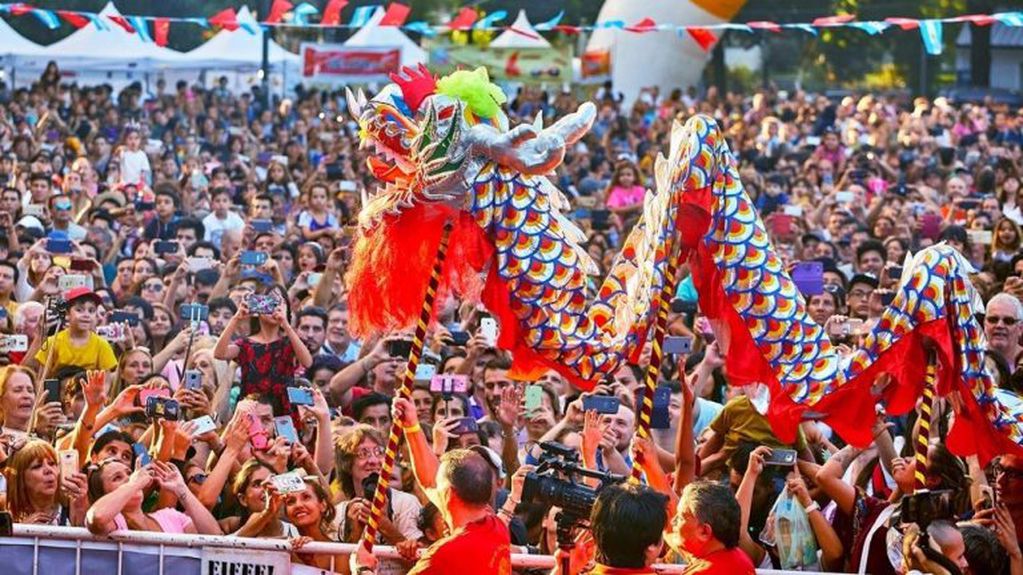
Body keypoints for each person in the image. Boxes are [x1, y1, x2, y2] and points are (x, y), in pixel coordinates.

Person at [352, 397, 511, 575]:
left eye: (440, 481)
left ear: (448, 492)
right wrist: (411, 426)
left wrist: (362, 569)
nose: (434, 484)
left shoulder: (443, 556)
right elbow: (429, 480)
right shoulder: (497, 528)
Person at [27, 287, 117, 376]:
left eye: (91, 311)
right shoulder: (53, 342)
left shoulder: (101, 345)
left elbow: (107, 382)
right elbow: (41, 378)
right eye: (79, 310)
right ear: (67, 313)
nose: (86, 315)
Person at [671, 481, 755, 574]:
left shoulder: (702, 572)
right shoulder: (740, 558)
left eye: (681, 518)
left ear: (704, 531)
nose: (673, 521)